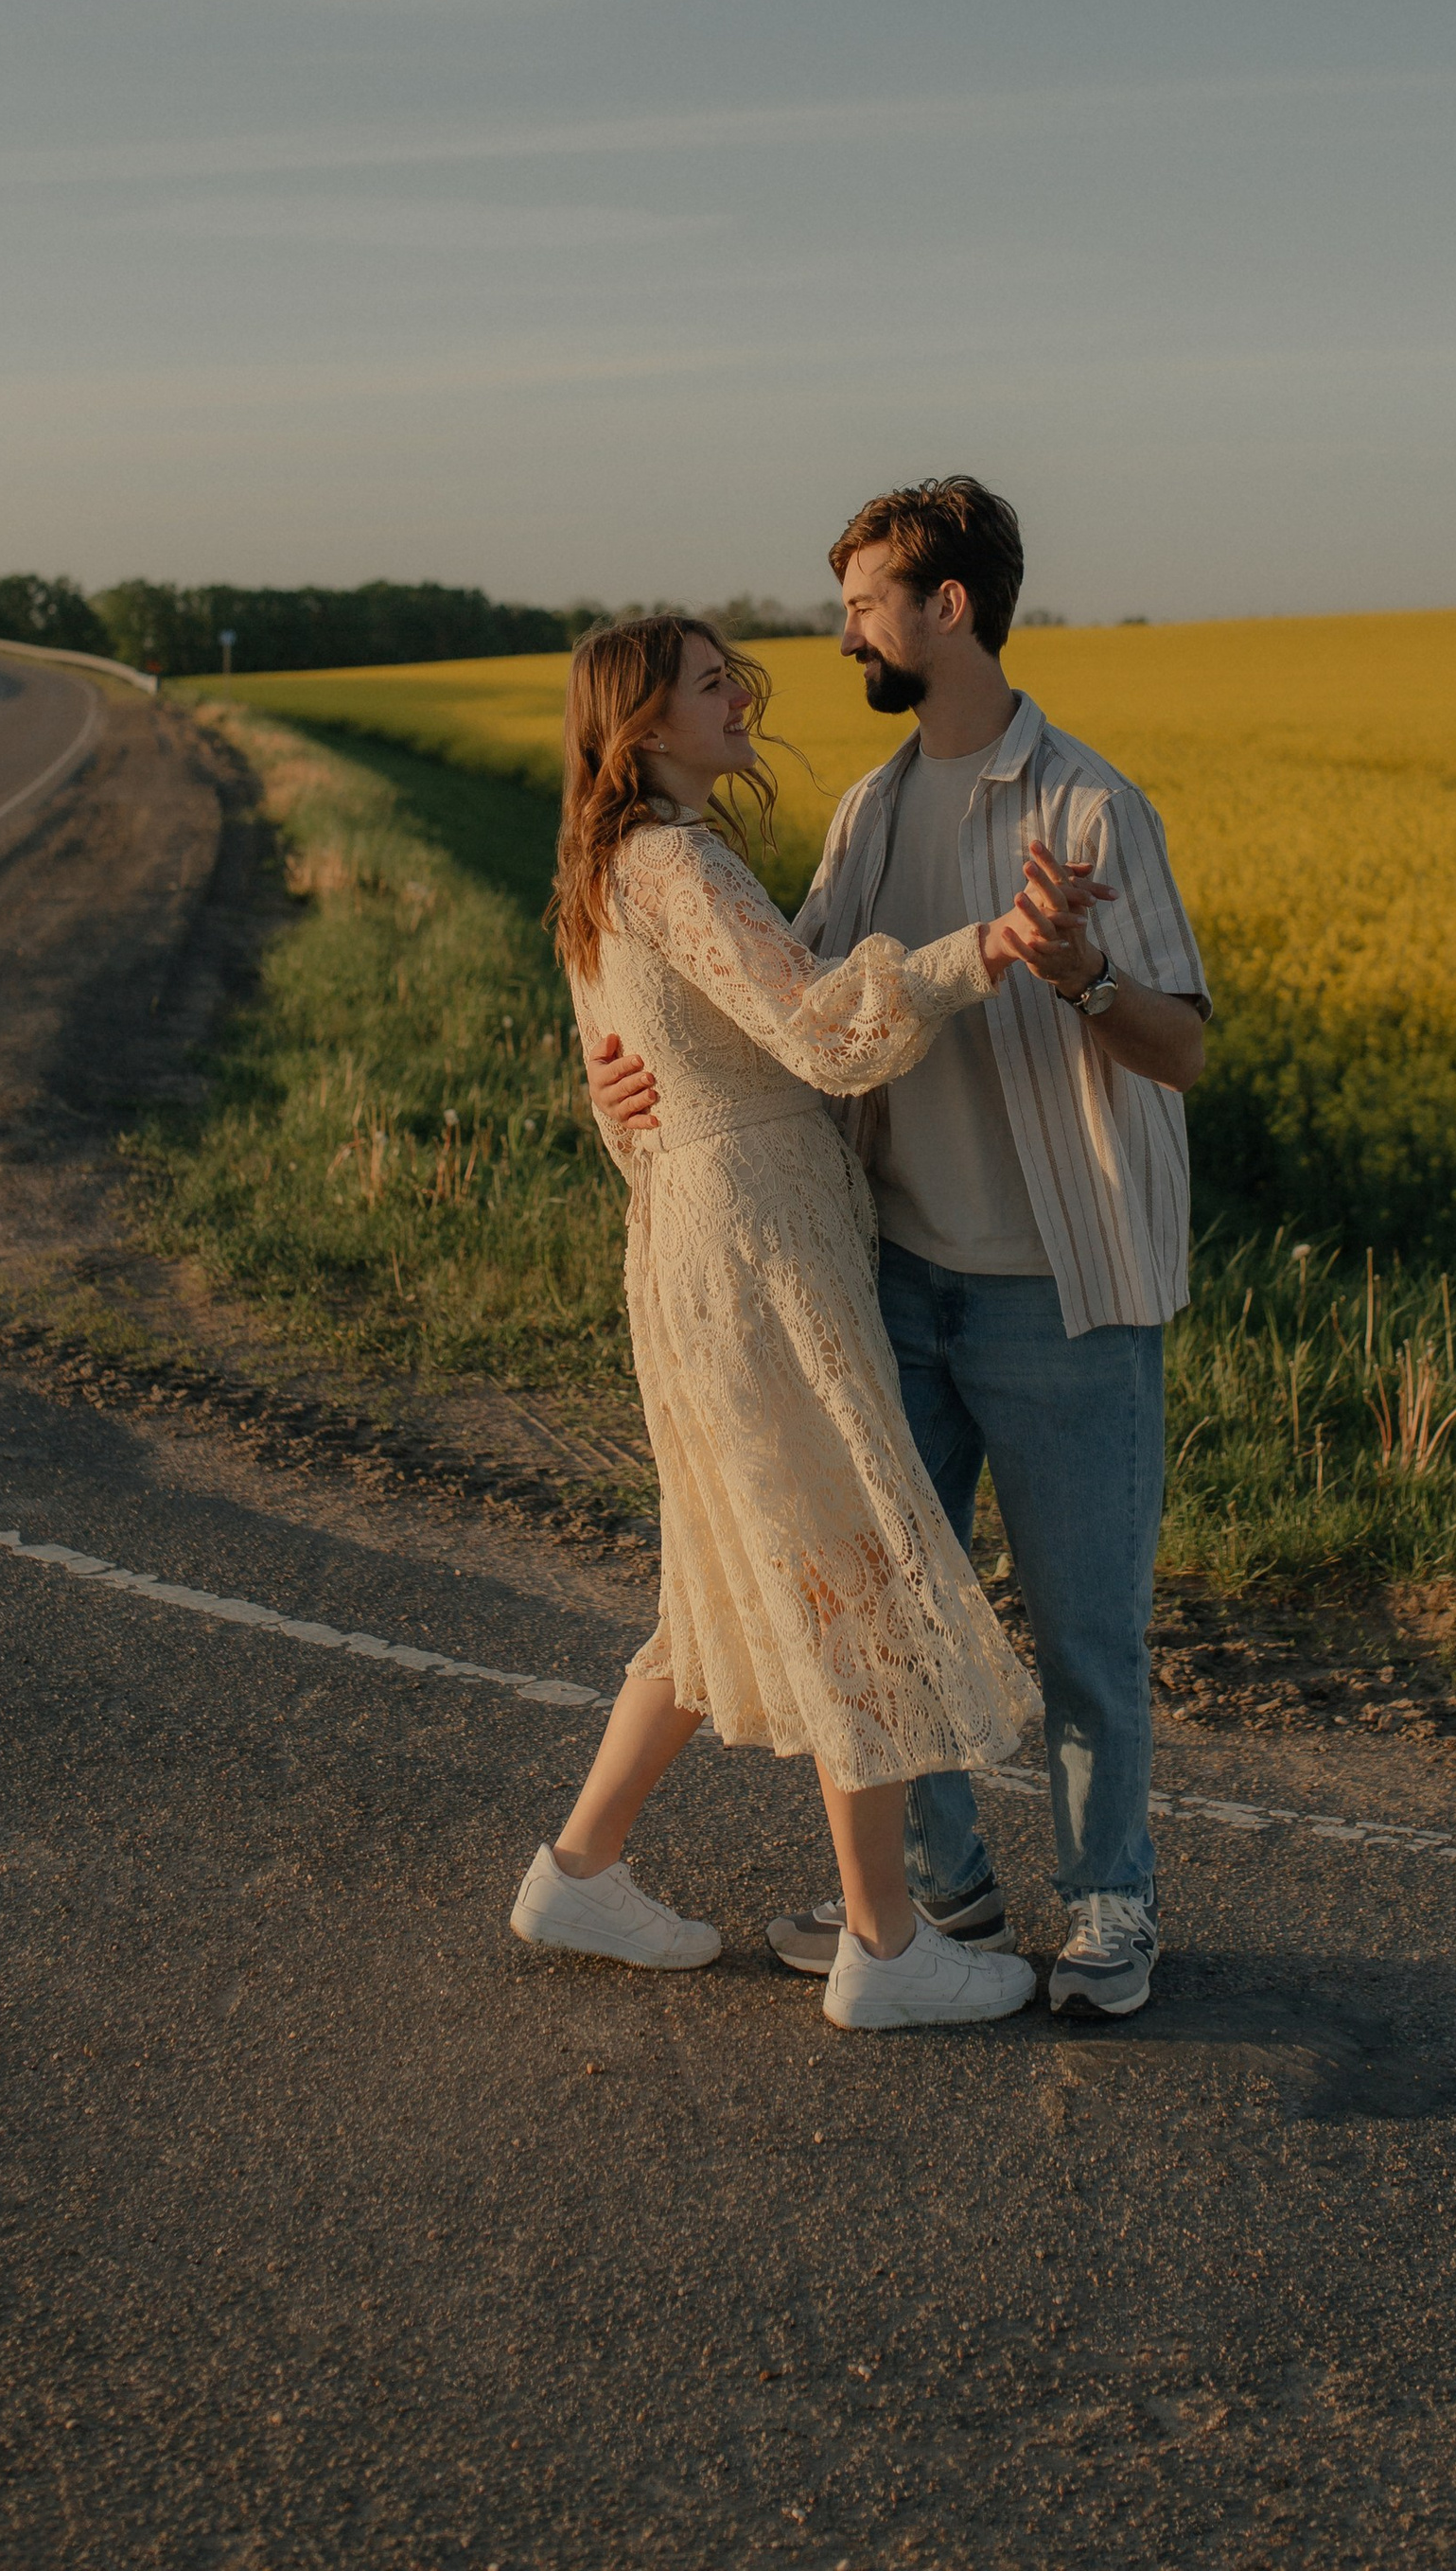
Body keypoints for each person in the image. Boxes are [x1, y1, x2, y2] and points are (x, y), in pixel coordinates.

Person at [588, 479, 1208, 2020]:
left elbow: (1183, 1049)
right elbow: (784, 1010)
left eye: (867, 598)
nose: (843, 626)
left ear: (948, 608)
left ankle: (1112, 1906)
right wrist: (621, 1077)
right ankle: (943, 1902)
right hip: (895, 1276)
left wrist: (1075, 974)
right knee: (889, 1600)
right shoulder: (870, 811)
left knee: (1083, 1633)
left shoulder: (1086, 805)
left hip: (1065, 1290)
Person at [509, 611, 1103, 2031]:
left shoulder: (605, 872)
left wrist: (625, 1116)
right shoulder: (670, 859)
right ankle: (889, 1952)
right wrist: (989, 949)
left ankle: (580, 1871)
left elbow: (641, 1094)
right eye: (712, 685)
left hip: (699, 1246)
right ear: (641, 724)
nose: (744, 700)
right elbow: (825, 1032)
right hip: (760, 1255)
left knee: (718, 1586)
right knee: (851, 1575)